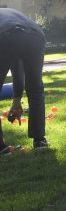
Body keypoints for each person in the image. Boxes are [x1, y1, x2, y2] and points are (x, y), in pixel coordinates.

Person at [0, 8, 48, 153]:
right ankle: (39, 140)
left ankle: (1, 148)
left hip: (5, 35)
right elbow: (16, 65)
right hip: (35, 35)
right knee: (35, 88)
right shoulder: (11, 13)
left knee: (35, 88)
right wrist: (16, 99)